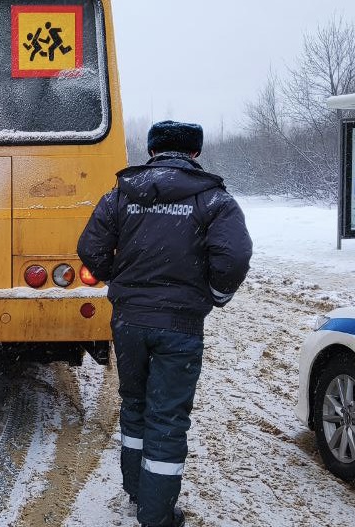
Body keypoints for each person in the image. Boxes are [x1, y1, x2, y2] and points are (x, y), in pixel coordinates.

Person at [77, 121, 252, 527]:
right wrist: (216, 294)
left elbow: (90, 248)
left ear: (153, 150)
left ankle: (137, 490)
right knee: (168, 416)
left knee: (135, 402)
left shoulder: (121, 195)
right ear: (195, 153)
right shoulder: (213, 200)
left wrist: (117, 279)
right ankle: (155, 515)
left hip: (129, 321)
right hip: (180, 325)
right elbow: (234, 257)